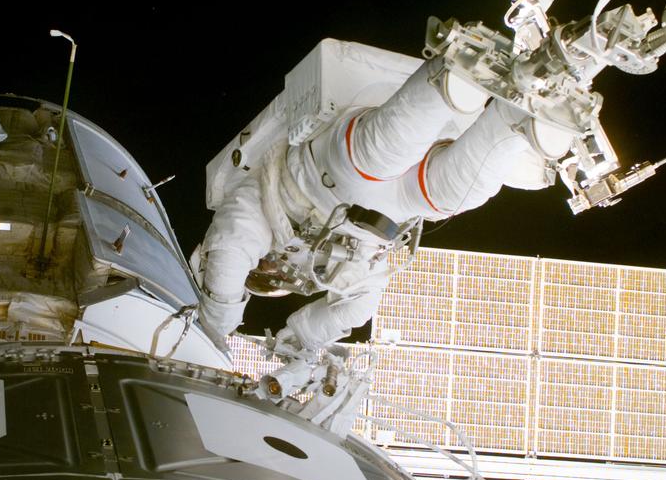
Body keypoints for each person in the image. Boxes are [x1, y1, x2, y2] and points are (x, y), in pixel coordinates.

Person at [195, 56, 550, 357]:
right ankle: (522, 115)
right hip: (395, 209)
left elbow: (229, 248)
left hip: (327, 178)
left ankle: (457, 70)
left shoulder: (250, 201)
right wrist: (306, 334)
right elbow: (358, 308)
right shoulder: (326, 273)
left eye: (264, 272)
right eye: (274, 279)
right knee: (457, 191)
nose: (276, 269)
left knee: (382, 151)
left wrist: (215, 327)